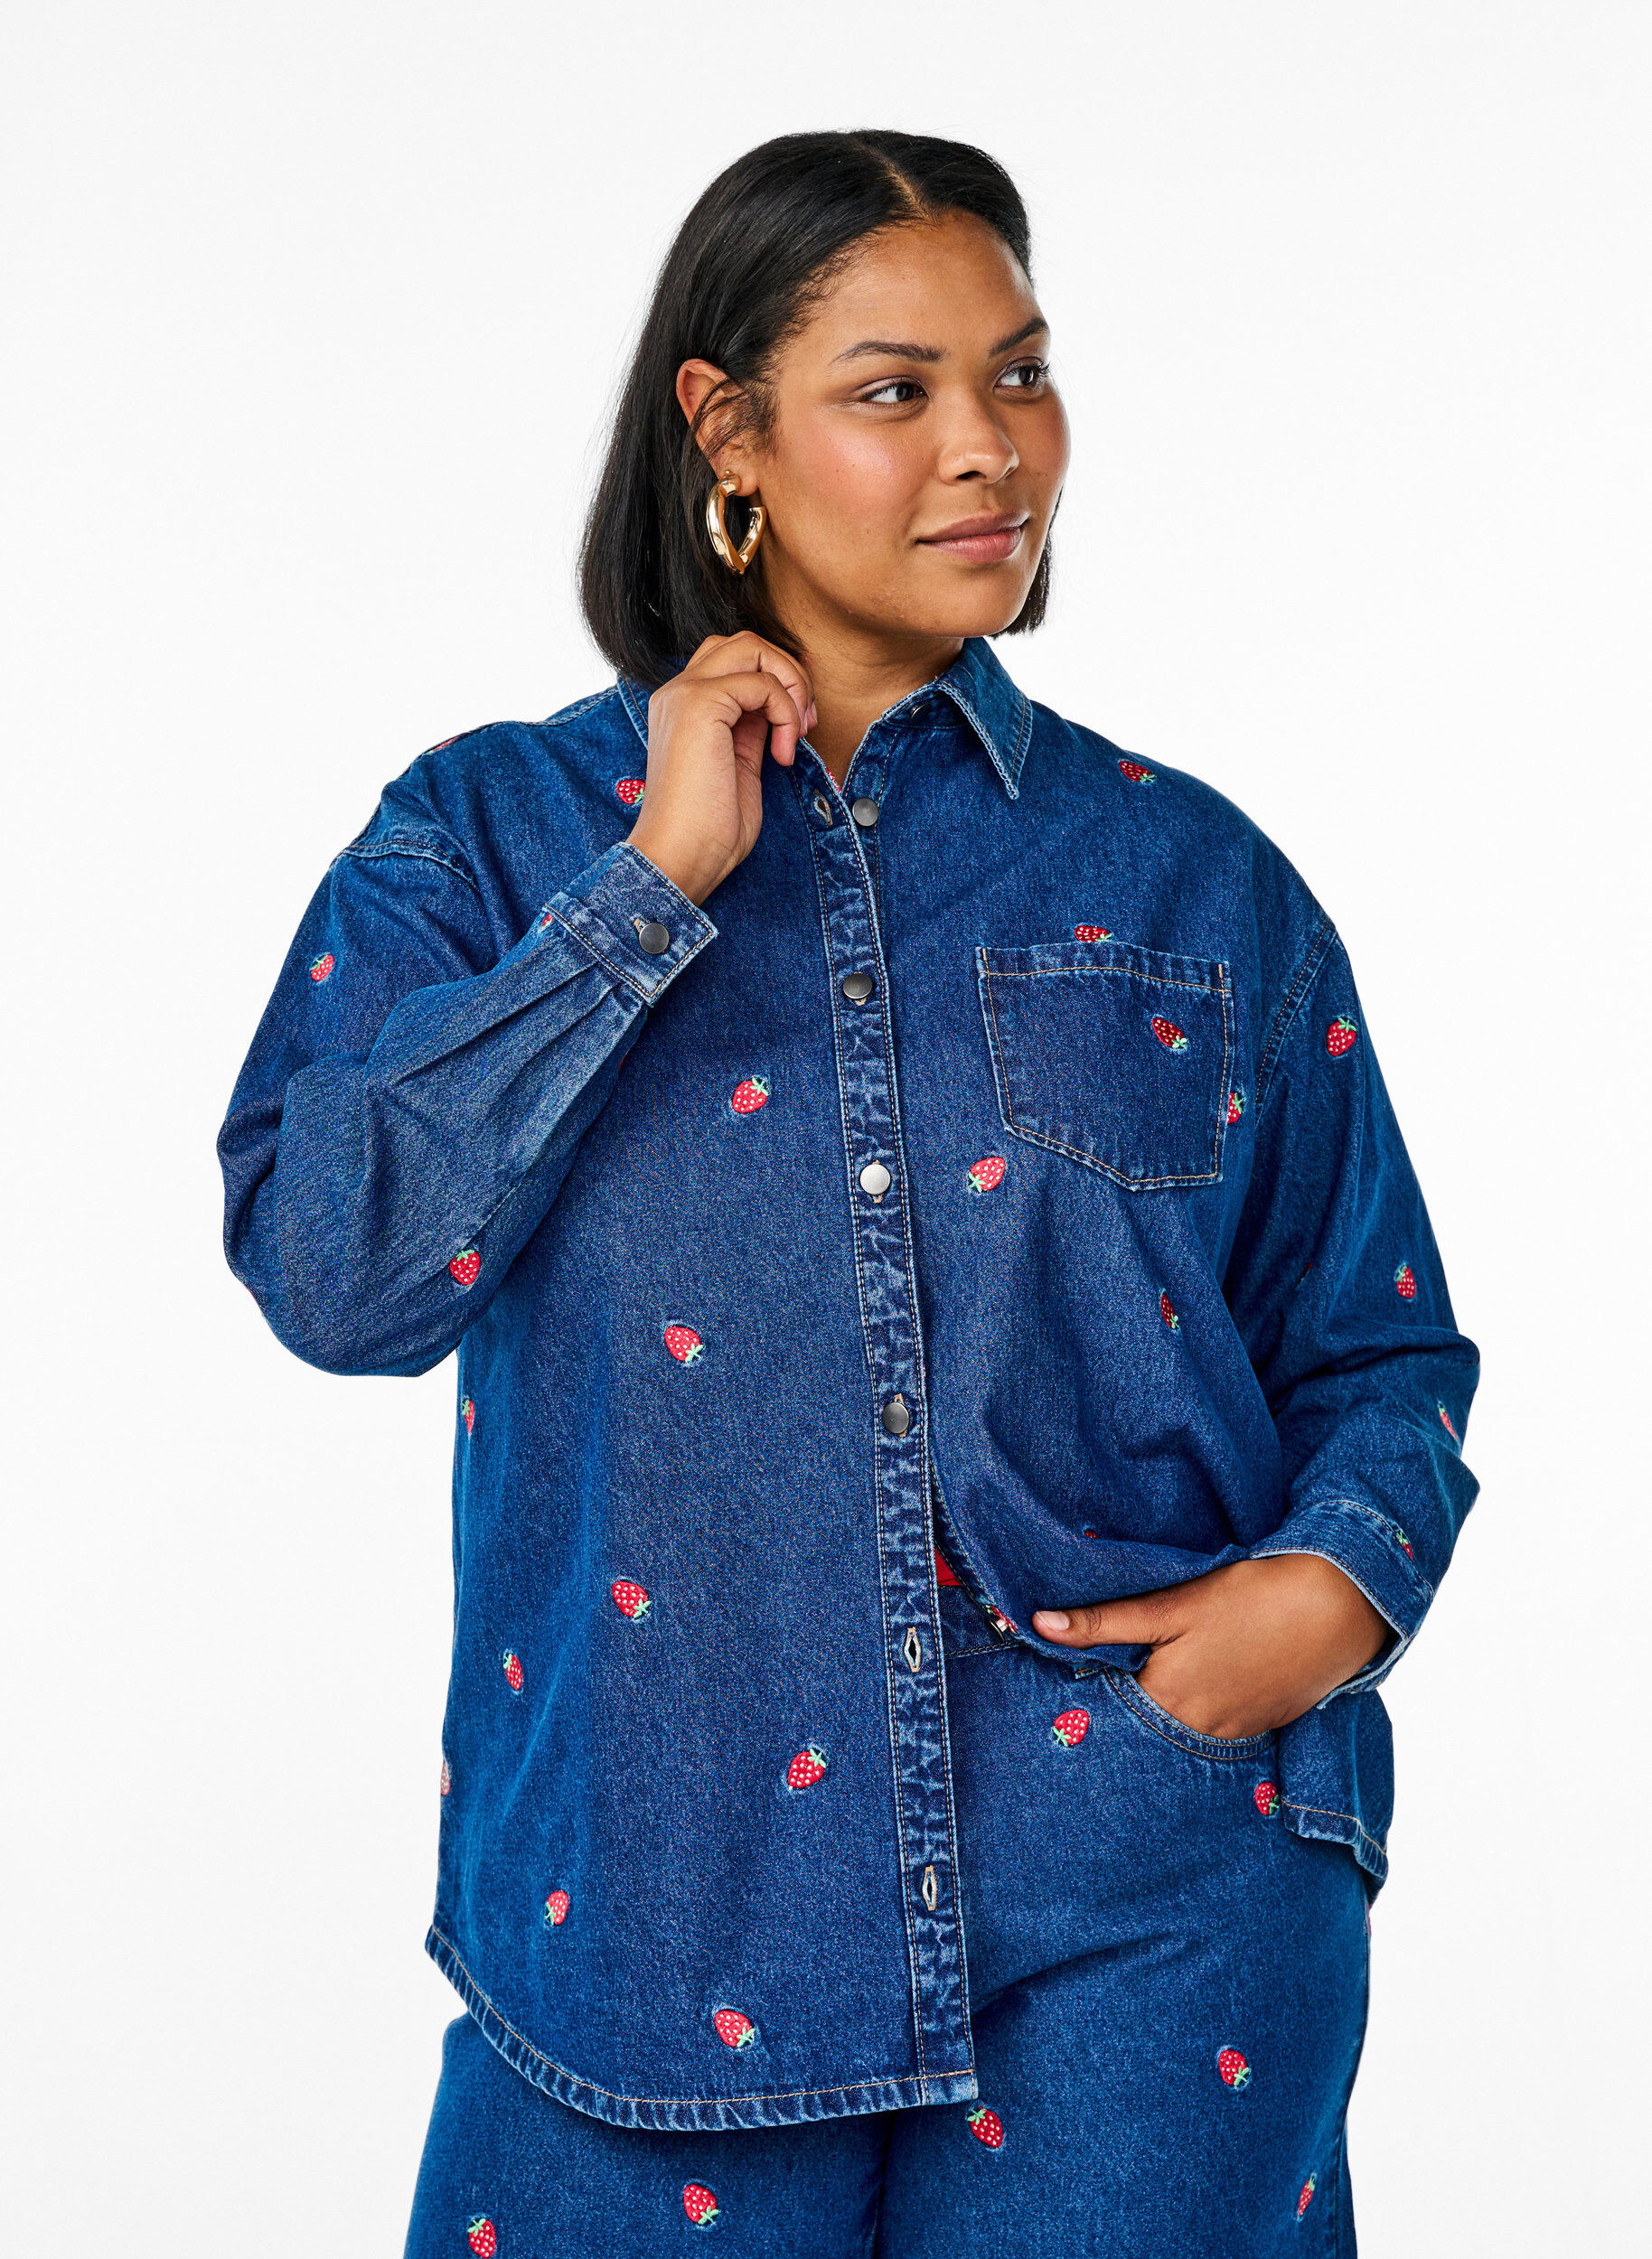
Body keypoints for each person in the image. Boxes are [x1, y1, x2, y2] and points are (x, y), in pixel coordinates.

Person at [218, 128, 1479, 2257]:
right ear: (725, 429)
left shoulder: (1193, 879)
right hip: (633, 1926)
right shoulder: (495, 838)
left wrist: (1327, 1594)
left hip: (1146, 1912)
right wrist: (645, 900)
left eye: (1020, 373)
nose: (989, 450)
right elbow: (330, 1258)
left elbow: (1374, 1348)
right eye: (894, 390)